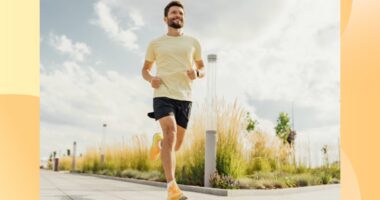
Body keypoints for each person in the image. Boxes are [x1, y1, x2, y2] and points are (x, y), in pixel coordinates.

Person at [141, 1, 205, 199]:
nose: (178, 15)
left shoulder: (193, 42)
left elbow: (202, 69)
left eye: (180, 13)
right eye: (174, 12)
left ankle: (158, 142)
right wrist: (151, 79)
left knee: (175, 146)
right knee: (171, 131)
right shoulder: (155, 43)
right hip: (162, 94)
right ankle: (172, 188)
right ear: (165, 18)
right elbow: (145, 70)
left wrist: (197, 73)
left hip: (184, 97)